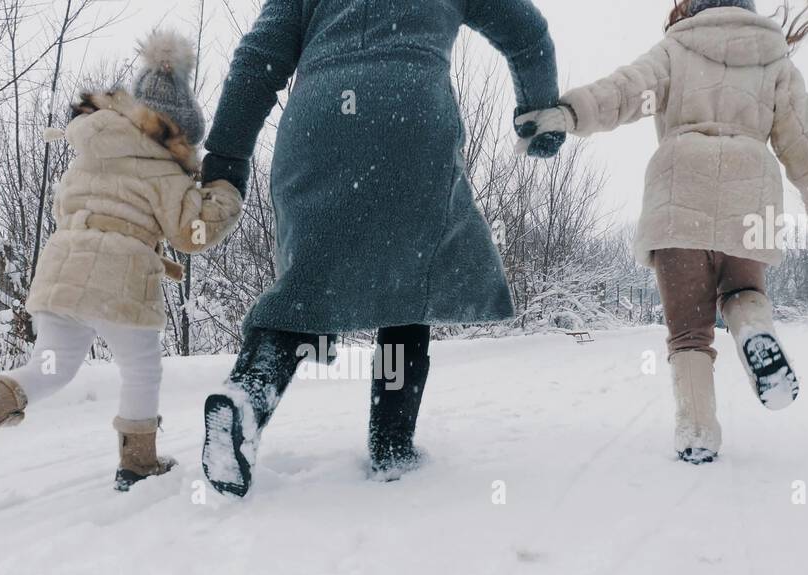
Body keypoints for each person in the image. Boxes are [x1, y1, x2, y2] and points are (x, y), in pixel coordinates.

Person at [198, 0, 566, 497]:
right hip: (410, 117)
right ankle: (392, 447)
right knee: (413, 282)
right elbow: (528, 32)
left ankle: (245, 395)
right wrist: (537, 112)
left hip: (318, 123)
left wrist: (226, 159)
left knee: (305, 284)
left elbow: (256, 63)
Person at [516, 0, 808, 464]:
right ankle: (754, 330)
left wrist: (567, 115)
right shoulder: (773, 61)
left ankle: (698, 432)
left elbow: (622, 92)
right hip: (750, 196)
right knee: (741, 290)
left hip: (680, 195)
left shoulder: (676, 49)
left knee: (690, 333)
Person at [0, 31, 243, 490]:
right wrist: (224, 195)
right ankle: (138, 463)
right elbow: (190, 234)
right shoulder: (159, 168)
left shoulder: (89, 154)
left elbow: (71, 213)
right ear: (173, 133)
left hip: (62, 269)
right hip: (119, 277)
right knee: (141, 367)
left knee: (51, 366)